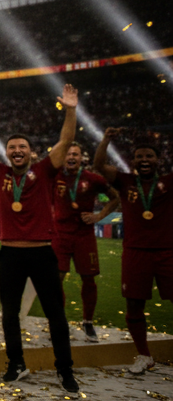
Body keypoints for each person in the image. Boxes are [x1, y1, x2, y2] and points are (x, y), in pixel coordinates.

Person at [0, 84, 79, 393]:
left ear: (30, 152)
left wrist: (71, 109)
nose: (17, 151)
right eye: (12, 148)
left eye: (22, 147)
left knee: (56, 314)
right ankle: (17, 365)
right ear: (7, 152)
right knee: (9, 315)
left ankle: (65, 370)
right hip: (10, 254)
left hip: (42, 253)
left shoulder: (44, 170)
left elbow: (66, 140)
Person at [92, 129, 173, 374]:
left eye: (149, 156)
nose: (144, 160)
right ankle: (144, 356)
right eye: (139, 156)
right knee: (134, 305)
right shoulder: (125, 181)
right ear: (133, 161)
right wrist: (105, 140)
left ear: (158, 160)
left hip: (168, 252)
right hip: (135, 252)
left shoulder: (169, 182)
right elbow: (99, 165)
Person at [53, 142, 119, 342]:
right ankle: (59, 322)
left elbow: (115, 198)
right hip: (60, 235)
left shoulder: (92, 179)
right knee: (57, 280)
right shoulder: (55, 176)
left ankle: (88, 323)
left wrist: (99, 216)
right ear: (63, 157)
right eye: (68, 154)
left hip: (84, 235)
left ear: (82, 158)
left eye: (76, 154)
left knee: (88, 279)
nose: (71, 157)